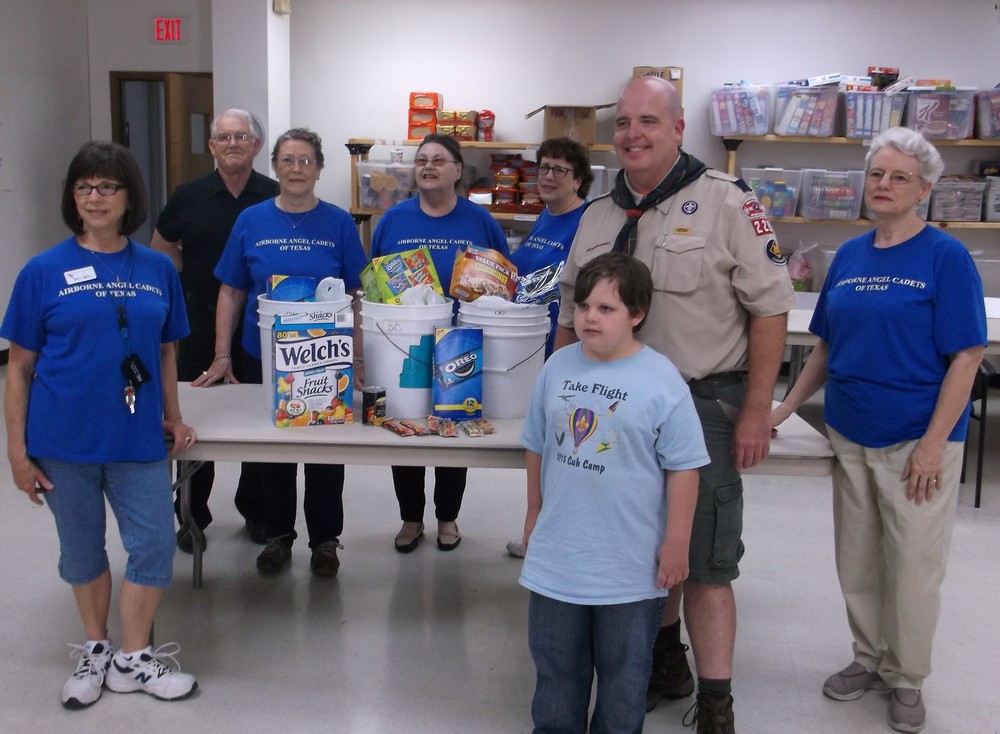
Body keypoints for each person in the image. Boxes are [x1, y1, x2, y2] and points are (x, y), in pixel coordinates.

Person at [555, 76, 795, 732]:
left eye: (648, 122)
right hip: (608, 408)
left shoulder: (725, 202)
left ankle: (716, 701)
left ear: (677, 128)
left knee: (709, 560)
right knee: (638, 548)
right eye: (624, 122)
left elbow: (771, 308)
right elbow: (572, 315)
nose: (633, 135)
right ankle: (666, 663)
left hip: (700, 401)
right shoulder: (600, 215)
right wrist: (559, 396)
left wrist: (755, 410)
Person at [772, 127, 986, 734]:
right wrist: (785, 410)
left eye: (899, 177)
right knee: (859, 559)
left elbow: (966, 357)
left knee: (914, 566)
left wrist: (931, 447)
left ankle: (907, 676)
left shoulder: (945, 257)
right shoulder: (851, 256)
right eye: (877, 174)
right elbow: (824, 345)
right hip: (850, 432)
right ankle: (868, 658)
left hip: (918, 439)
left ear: (924, 188)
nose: (884, 185)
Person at [2, 141, 198, 708]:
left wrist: (174, 417)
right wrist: (17, 453)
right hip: (64, 438)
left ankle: (133, 660)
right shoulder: (42, 271)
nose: (95, 197)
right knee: (82, 550)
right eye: (84, 186)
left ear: (129, 197)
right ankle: (95, 649)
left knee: (154, 545)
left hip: (137, 437)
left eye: (107, 186)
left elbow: (165, 351)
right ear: (72, 196)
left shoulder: (158, 267)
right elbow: (18, 369)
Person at [519, 252, 707, 733]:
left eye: (606, 309)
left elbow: (685, 467)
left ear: (637, 314)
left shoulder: (662, 380)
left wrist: (676, 543)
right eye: (583, 306)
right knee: (556, 674)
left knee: (624, 681)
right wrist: (534, 510)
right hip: (559, 558)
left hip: (629, 565)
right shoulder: (558, 366)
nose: (589, 318)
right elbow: (537, 443)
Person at [195, 128, 367, 576]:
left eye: (305, 161)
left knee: (325, 450)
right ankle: (277, 537)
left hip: (327, 357)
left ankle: (325, 541)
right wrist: (221, 355)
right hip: (263, 356)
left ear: (319, 168)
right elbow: (231, 290)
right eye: (288, 160)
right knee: (273, 449)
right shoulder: (251, 221)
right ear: (275, 165)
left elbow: (356, 295)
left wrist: (360, 359)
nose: (296, 169)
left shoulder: (338, 223)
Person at [370, 133, 509, 552]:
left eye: (438, 160)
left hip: (459, 342)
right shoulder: (394, 219)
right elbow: (374, 281)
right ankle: (411, 517)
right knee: (406, 425)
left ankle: (448, 517)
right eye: (421, 160)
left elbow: (503, 279)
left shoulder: (479, 221)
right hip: (404, 345)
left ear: (457, 170)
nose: (427, 167)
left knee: (455, 425)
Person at [151, 108, 280, 553]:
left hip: (255, 327)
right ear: (211, 146)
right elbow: (163, 244)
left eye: (242, 136)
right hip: (197, 320)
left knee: (257, 420)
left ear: (257, 145)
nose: (232, 144)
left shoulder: (273, 195)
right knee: (195, 420)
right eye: (223, 137)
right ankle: (192, 516)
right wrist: (178, 283)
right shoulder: (188, 195)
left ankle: (256, 509)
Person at [504, 136, 593, 558]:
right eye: (544, 168)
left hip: (563, 346)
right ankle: (538, 532)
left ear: (579, 180)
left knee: (564, 448)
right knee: (542, 447)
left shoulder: (586, 220)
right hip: (530, 344)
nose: (549, 176)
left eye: (561, 170)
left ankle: (553, 540)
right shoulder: (545, 217)